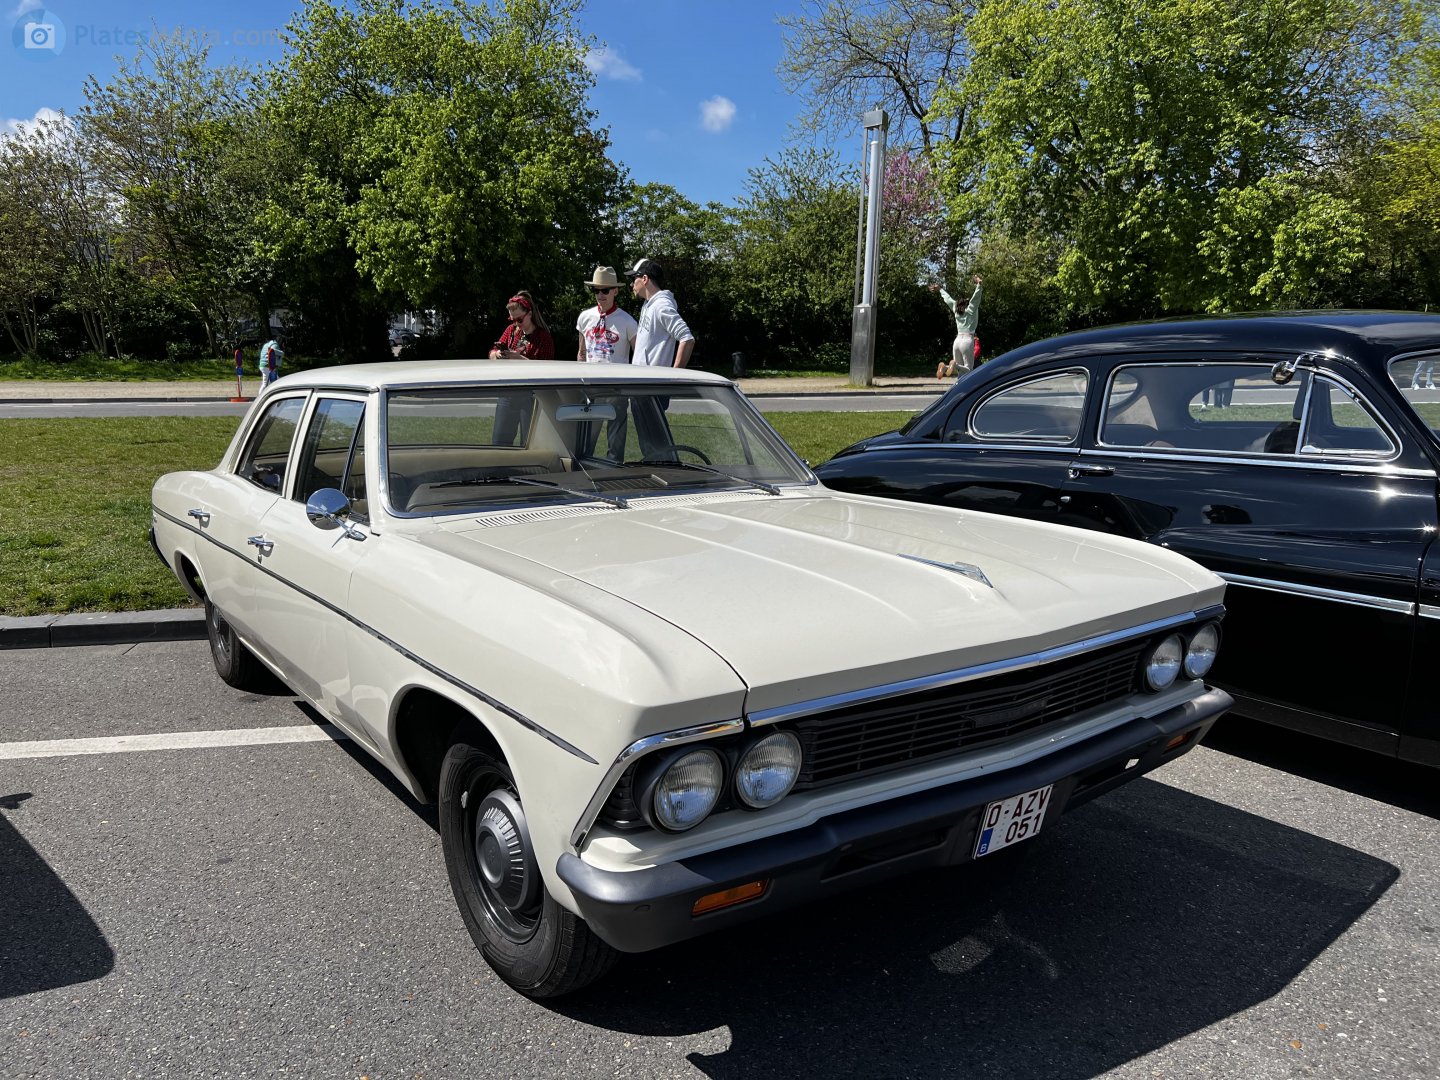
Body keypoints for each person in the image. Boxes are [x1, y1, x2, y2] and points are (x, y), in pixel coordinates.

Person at [577, 266, 640, 458]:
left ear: (615, 291)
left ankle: (615, 470)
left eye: (605, 290)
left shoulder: (627, 321)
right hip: (589, 385)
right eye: (596, 290)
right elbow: (581, 353)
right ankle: (583, 470)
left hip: (617, 387)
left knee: (616, 440)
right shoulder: (585, 317)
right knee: (585, 438)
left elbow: (639, 356)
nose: (600, 295)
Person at [488, 291, 554, 445]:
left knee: (529, 443)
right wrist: (496, 355)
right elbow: (491, 351)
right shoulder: (511, 331)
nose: (516, 323)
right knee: (499, 442)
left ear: (529, 313)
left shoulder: (543, 337)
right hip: (508, 392)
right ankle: (501, 469)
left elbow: (548, 369)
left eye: (519, 319)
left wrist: (520, 359)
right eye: (512, 319)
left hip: (531, 396)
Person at [625, 258, 695, 368]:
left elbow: (687, 338)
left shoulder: (661, 305)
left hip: (654, 382)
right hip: (643, 380)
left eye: (634, 279)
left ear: (644, 279)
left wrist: (676, 374)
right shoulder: (648, 304)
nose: (631, 284)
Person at [933, 275, 983, 379]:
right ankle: (953, 365)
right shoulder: (971, 310)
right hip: (967, 340)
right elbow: (976, 297)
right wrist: (979, 284)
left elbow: (948, 299)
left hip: (957, 341)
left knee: (959, 370)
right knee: (969, 368)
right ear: (967, 304)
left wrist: (940, 289)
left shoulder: (956, 310)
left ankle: (945, 367)